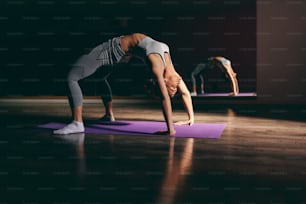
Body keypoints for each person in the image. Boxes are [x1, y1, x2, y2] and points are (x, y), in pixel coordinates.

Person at [53, 33, 194, 136]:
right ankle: (109, 115)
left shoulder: (171, 73)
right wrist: (171, 129)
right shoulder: (162, 70)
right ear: (164, 82)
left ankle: (77, 123)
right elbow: (168, 97)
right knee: (100, 78)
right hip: (122, 54)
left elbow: (183, 94)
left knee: (71, 77)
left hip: (116, 50)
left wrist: (189, 119)